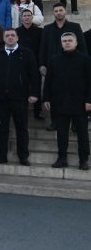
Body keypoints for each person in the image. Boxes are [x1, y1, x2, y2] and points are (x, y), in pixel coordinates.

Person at [0, 29, 39, 166]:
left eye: (12, 35)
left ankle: (23, 156)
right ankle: (1, 156)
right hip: (0, 98)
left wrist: (34, 93)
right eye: (7, 36)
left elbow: (34, 75)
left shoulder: (27, 53)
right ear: (3, 38)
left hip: (20, 98)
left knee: (22, 128)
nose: (10, 38)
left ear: (17, 37)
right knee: (2, 129)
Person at [43, 32, 91, 170]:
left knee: (82, 134)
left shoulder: (85, 59)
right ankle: (62, 158)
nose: (67, 43)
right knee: (62, 134)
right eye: (64, 41)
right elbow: (49, 81)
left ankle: (83, 160)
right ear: (61, 43)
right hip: (60, 103)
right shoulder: (54, 59)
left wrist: (89, 100)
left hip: (80, 104)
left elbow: (90, 82)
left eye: (70, 40)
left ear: (76, 43)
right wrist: (46, 97)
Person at [39, 3, 87, 131]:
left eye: (61, 10)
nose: (58, 12)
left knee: (75, 94)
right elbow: (43, 48)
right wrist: (42, 64)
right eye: (56, 11)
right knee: (55, 95)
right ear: (53, 13)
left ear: (65, 12)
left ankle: (75, 124)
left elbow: (82, 47)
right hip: (53, 68)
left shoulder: (75, 27)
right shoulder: (47, 29)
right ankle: (55, 122)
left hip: (73, 67)